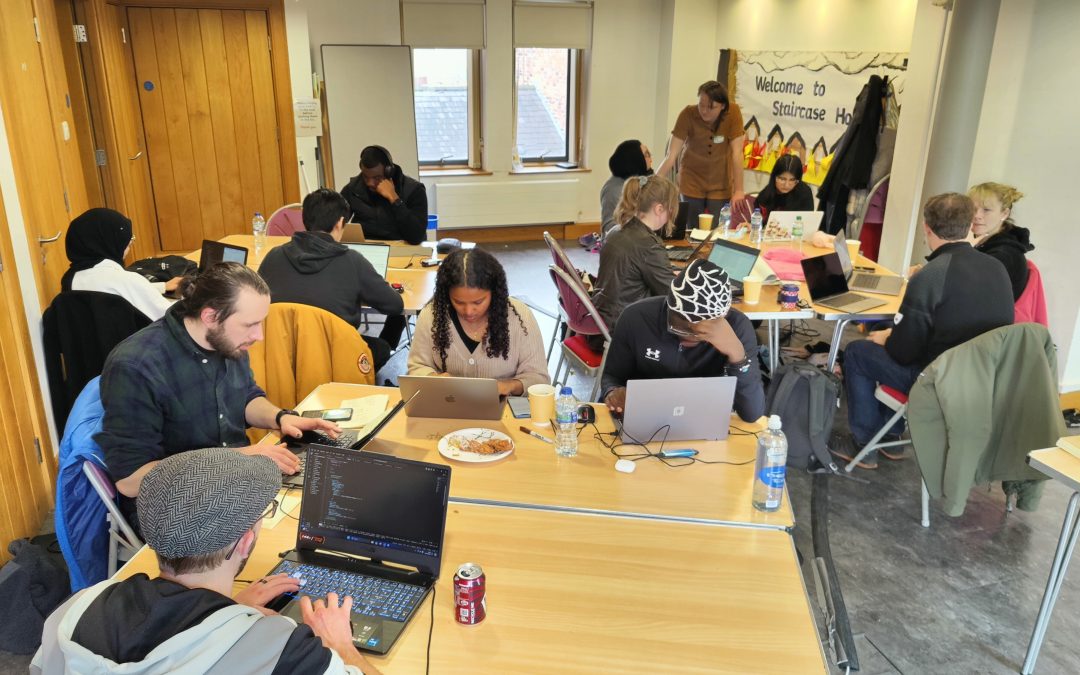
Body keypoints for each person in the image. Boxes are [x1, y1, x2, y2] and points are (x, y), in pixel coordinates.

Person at [33, 448, 381, 674]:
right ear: (245, 541)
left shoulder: (75, 610)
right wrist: (340, 646)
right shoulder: (279, 650)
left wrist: (223, 612)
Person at [96, 262, 338, 523]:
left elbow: (245, 395)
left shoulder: (227, 340)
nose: (259, 336)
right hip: (176, 506)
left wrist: (280, 418)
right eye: (250, 324)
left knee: (326, 504)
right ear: (210, 316)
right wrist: (241, 457)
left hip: (238, 480)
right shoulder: (136, 366)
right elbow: (131, 480)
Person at [833, 193, 1014, 469]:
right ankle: (892, 435)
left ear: (926, 228)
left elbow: (904, 353)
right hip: (985, 384)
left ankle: (864, 443)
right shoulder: (997, 268)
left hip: (937, 384)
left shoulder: (931, 275)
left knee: (858, 352)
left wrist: (888, 338)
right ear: (969, 226)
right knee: (888, 337)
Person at [259, 188, 406, 370]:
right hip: (335, 357)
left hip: (283, 354)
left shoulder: (273, 256)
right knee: (382, 348)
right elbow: (395, 306)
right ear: (340, 223)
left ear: (305, 220)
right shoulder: (352, 261)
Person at [600, 259, 764, 422]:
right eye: (678, 328)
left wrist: (738, 356)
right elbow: (612, 375)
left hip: (702, 421)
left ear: (721, 320)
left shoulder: (738, 328)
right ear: (668, 307)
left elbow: (752, 414)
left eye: (702, 334)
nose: (688, 339)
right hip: (641, 417)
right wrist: (613, 391)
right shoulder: (636, 317)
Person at [408, 248, 550, 396]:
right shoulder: (431, 316)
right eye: (458, 302)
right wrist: (433, 378)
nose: (468, 311)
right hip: (447, 404)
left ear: (494, 293)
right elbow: (417, 367)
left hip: (506, 408)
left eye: (478, 302)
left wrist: (508, 386)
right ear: (447, 294)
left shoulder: (520, 316)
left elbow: (539, 379)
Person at [591, 174, 678, 349]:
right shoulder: (648, 246)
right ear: (659, 209)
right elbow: (674, 296)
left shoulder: (616, 231)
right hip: (622, 332)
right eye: (671, 208)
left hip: (599, 325)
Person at [656, 81, 746, 226]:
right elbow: (671, 155)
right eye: (701, 105)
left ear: (722, 106)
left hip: (721, 184)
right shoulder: (688, 114)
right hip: (691, 181)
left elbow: (737, 153)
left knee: (718, 230)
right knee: (692, 229)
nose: (704, 111)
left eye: (711, 107)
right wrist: (653, 184)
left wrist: (739, 190)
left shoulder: (733, 113)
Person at [62, 207, 176, 321]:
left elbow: (109, 289)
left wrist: (163, 287)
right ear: (111, 242)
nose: (129, 246)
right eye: (129, 241)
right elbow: (173, 317)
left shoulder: (69, 281)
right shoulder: (127, 280)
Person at [341, 145, 428, 244]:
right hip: (367, 248)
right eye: (365, 177)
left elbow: (417, 237)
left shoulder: (414, 190)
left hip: (402, 247)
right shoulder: (353, 188)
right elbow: (334, 224)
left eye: (377, 178)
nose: (370, 183)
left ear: (389, 172)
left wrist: (394, 199)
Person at [969, 182, 1032, 300]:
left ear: (1004, 213)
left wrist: (962, 248)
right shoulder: (982, 244)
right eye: (972, 208)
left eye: (986, 210)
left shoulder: (1005, 254)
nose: (977, 215)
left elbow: (967, 290)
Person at [600, 140, 652, 239]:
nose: (650, 158)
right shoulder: (613, 189)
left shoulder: (641, 179)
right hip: (621, 245)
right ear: (635, 159)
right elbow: (609, 228)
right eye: (646, 155)